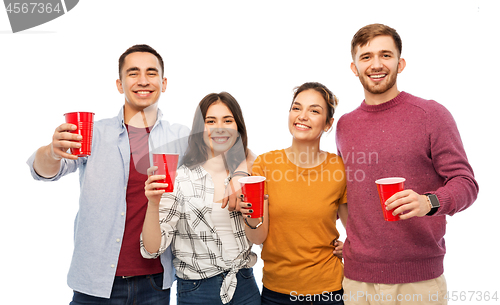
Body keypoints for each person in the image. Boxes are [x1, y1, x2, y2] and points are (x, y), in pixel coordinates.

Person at [27, 44, 190, 304]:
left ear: (164, 82)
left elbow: (224, 154)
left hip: (155, 283)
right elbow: (44, 172)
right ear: (119, 84)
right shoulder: (92, 134)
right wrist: (52, 151)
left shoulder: (180, 137)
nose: (143, 80)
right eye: (133, 73)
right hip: (94, 283)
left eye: (151, 72)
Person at [335, 23, 479, 305]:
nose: (376, 64)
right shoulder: (345, 125)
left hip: (419, 282)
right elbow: (348, 193)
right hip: (357, 279)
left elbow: (466, 184)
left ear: (400, 63)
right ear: (354, 67)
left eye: (385, 55)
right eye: (366, 57)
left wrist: (429, 202)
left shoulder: (431, 114)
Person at [141, 92, 261, 305]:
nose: (219, 127)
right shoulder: (179, 179)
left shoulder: (250, 175)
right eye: (210, 121)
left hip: (245, 285)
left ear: (238, 127)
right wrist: (153, 203)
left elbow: (262, 233)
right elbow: (152, 250)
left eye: (228, 120)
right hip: (198, 291)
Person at [241, 82, 348, 305]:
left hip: (329, 291)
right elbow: (258, 237)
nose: (302, 116)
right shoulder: (266, 164)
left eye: (314, 111)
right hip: (277, 292)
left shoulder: (338, 168)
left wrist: (350, 246)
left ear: (328, 124)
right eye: (297, 108)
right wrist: (249, 214)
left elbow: (355, 228)